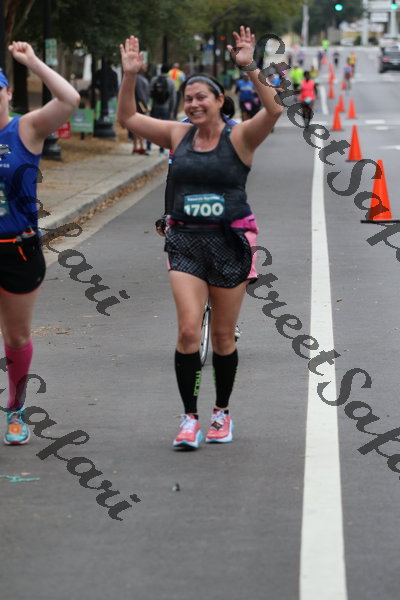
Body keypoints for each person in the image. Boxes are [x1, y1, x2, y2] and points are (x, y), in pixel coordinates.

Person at [118, 26, 283, 449]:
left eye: (201, 97)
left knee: (223, 337)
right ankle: (189, 417)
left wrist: (250, 67)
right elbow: (129, 119)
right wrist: (130, 76)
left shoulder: (240, 137)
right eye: (188, 98)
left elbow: (275, 109)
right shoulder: (178, 135)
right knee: (189, 332)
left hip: (230, 244)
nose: (193, 104)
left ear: (219, 101)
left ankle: (221, 413)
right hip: (186, 243)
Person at [0, 41, 80, 444]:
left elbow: (69, 100)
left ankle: (16, 409)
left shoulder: (25, 129)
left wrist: (33, 62)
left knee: (15, 338)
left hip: (17, 249)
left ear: (8, 92)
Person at [148, 64, 175, 154]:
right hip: (165, 108)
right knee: (164, 130)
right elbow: (173, 97)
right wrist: (172, 110)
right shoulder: (170, 82)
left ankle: (148, 147)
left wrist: (148, 106)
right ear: (169, 71)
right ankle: (161, 150)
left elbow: (149, 93)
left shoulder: (154, 80)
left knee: (151, 127)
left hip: (155, 107)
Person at [129, 63, 150, 154]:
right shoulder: (138, 79)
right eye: (143, 66)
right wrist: (145, 104)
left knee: (137, 127)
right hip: (139, 105)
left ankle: (138, 146)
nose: (145, 67)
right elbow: (140, 93)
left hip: (139, 104)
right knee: (139, 126)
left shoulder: (141, 78)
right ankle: (140, 146)